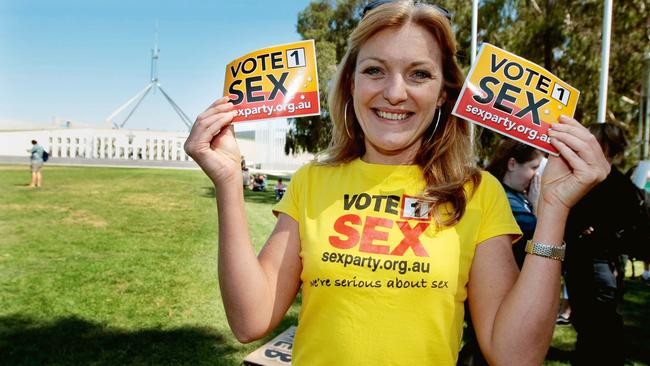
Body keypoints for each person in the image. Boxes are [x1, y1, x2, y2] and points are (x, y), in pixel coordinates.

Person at [183, 1, 609, 364]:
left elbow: (515, 356)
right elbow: (249, 320)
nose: (395, 92)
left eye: (420, 74)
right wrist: (228, 183)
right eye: (375, 70)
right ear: (351, 83)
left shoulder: (477, 192)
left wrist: (554, 211)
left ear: (444, 92)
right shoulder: (312, 181)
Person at [563, 123, 641, 365]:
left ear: (604, 146)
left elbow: (626, 223)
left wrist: (596, 233)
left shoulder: (608, 182)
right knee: (590, 319)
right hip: (591, 259)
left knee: (598, 320)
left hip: (597, 261)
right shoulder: (606, 180)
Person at [486, 139, 544, 268]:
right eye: (534, 167)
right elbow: (538, 241)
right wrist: (535, 206)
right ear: (512, 164)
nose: (536, 175)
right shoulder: (508, 201)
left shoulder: (511, 194)